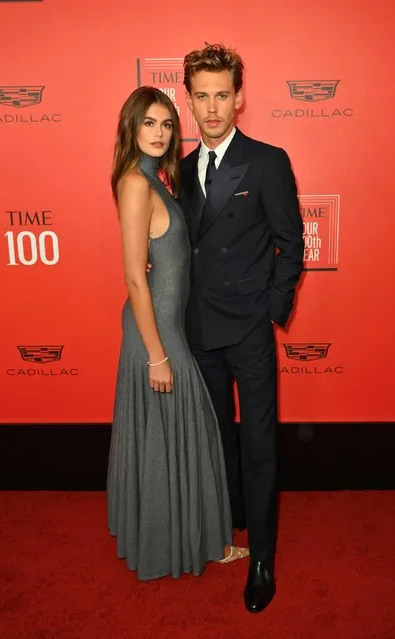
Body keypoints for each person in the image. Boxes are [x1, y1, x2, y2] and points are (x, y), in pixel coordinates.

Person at [179, 44, 304, 611]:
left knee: (256, 445)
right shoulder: (178, 170)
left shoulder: (266, 160)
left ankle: (261, 558)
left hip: (249, 328)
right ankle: (222, 529)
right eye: (201, 96)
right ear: (189, 98)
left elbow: (291, 243)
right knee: (215, 441)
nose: (212, 108)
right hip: (199, 331)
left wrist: (271, 310)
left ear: (240, 97)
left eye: (222, 95)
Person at [106, 86, 248, 581]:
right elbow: (132, 276)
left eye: (166, 124)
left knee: (174, 439)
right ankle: (191, 545)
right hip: (157, 334)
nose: (160, 132)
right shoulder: (135, 183)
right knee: (186, 435)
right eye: (149, 122)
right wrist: (157, 356)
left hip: (167, 327)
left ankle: (181, 540)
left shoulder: (157, 180)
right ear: (131, 126)